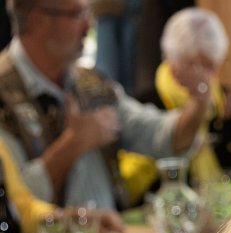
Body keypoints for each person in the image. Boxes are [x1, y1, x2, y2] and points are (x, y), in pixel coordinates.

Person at [0, 0, 207, 210]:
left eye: (88, 13)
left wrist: (199, 101)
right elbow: (10, 204)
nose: (89, 25)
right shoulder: (3, 94)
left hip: (115, 230)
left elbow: (165, 138)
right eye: (78, 14)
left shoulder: (90, 83)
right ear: (38, 20)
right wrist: (73, 145)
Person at [118, 6, 231, 205]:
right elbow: (127, 189)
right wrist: (170, 141)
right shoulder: (146, 107)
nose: (203, 75)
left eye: (210, 66)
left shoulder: (229, 102)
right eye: (192, 65)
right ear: (172, 61)